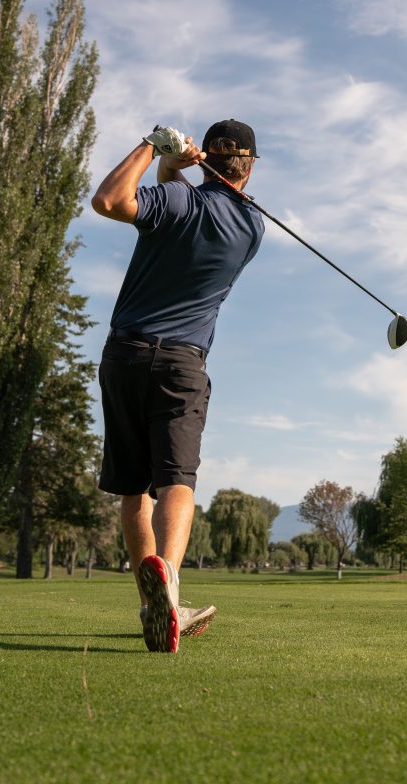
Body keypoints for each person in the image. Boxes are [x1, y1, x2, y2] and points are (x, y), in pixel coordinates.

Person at [91, 119, 264, 653]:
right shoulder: (253, 227)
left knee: (132, 487)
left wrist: (152, 146)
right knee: (176, 481)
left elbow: (109, 201)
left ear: (206, 156)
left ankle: (151, 606)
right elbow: (180, 201)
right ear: (250, 165)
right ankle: (169, 580)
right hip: (183, 366)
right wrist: (180, 167)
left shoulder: (176, 201)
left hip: (124, 354)